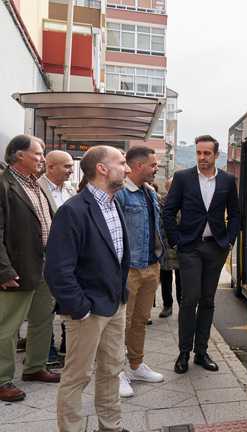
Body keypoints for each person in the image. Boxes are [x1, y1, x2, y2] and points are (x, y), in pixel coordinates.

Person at [45, 145, 132, 432]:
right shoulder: (73, 211)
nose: (127, 168)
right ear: (102, 169)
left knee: (111, 370)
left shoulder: (113, 202)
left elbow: (116, 256)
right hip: (87, 311)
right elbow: (57, 269)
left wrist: (121, 298)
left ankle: (111, 426)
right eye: (121, 162)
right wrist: (79, 308)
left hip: (115, 304)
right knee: (77, 376)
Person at [163, 134, 240, 374]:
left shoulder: (227, 180)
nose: (202, 157)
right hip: (190, 247)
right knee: (190, 299)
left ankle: (201, 352)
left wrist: (228, 241)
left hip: (215, 248)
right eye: (198, 153)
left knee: (207, 300)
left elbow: (236, 214)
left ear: (216, 155)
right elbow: (168, 212)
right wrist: (177, 240)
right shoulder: (183, 178)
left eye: (207, 153)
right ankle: (183, 352)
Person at [0, 135, 60, 403]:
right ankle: (2, 380)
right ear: (19, 155)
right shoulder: (3, 184)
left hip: (45, 265)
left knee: (42, 320)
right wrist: (4, 270)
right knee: (7, 328)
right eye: (38, 154)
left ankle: (35, 367)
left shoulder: (39, 185)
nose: (43, 159)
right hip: (18, 269)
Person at [114, 146, 165, 398]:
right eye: (153, 165)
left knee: (140, 321)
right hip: (129, 269)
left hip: (151, 266)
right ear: (137, 166)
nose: (156, 168)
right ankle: (117, 373)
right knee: (121, 324)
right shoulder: (121, 194)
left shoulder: (151, 192)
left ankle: (135, 365)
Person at [39, 150, 76, 364]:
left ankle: (66, 343)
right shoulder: (38, 188)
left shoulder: (69, 190)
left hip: (70, 256)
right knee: (45, 307)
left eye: (71, 166)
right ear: (50, 167)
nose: (71, 170)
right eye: (67, 166)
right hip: (46, 256)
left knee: (66, 301)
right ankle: (47, 349)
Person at [158, 177, 181, 318]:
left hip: (181, 245)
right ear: (167, 188)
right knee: (165, 277)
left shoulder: (186, 201)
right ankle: (167, 306)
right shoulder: (161, 202)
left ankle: (182, 305)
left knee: (182, 279)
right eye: (171, 186)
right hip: (165, 245)